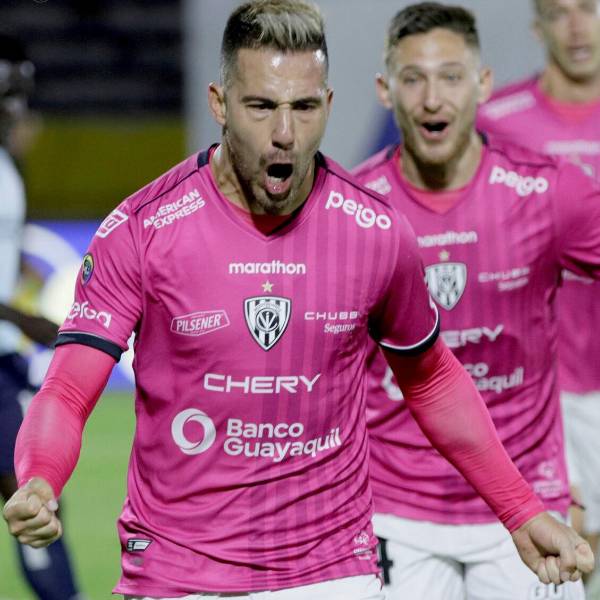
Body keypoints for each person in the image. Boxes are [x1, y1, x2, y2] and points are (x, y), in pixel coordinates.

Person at [2, 2, 593, 598]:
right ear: (220, 103)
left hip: (330, 571)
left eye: (304, 107)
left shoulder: (373, 231)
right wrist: (40, 480)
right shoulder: (143, 229)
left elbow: (432, 379)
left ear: (328, 105)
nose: (285, 133)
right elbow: (69, 388)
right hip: (178, 573)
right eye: (261, 106)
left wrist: (521, 511)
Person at [352, 2, 600, 599]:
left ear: (482, 84)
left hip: (528, 500)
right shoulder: (352, 212)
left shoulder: (549, 192)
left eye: (451, 76)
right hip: (396, 511)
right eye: (414, 79)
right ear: (386, 90)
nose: (432, 98)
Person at [478, 0, 600, 589]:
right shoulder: (498, 120)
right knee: (568, 549)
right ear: (536, 27)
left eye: (588, 8)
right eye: (557, 12)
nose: (575, 27)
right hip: (543, 382)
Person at [0, 33, 83, 600]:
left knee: (33, 492)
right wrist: (25, 321)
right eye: (13, 93)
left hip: (3, 359)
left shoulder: (8, 168)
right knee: (32, 492)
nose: (22, 109)